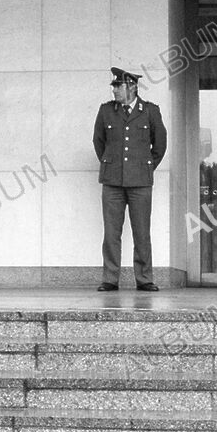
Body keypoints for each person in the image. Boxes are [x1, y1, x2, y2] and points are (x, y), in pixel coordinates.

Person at [92, 67, 167, 291]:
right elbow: (99, 142)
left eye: (118, 86)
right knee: (111, 233)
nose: (114, 90)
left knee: (141, 232)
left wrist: (144, 167)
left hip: (141, 183)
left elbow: (160, 145)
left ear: (132, 87)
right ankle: (110, 279)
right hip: (112, 181)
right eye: (114, 86)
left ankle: (144, 279)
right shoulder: (106, 111)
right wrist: (112, 163)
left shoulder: (150, 111)